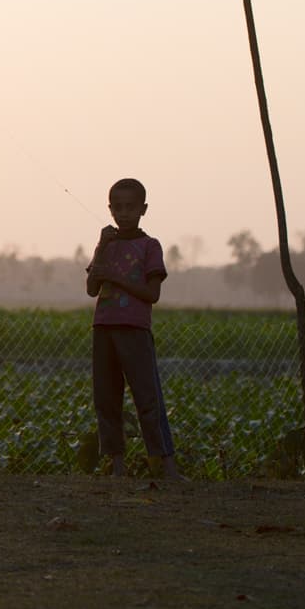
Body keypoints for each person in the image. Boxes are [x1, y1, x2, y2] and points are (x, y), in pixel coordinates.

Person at [86, 177, 180, 479]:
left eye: (131, 207)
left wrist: (116, 276)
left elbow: (152, 294)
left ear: (143, 209)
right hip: (103, 329)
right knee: (106, 398)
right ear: (110, 209)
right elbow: (91, 289)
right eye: (118, 208)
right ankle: (117, 467)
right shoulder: (106, 245)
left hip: (135, 330)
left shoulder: (149, 246)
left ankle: (166, 466)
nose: (124, 213)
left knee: (147, 398)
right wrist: (101, 248)